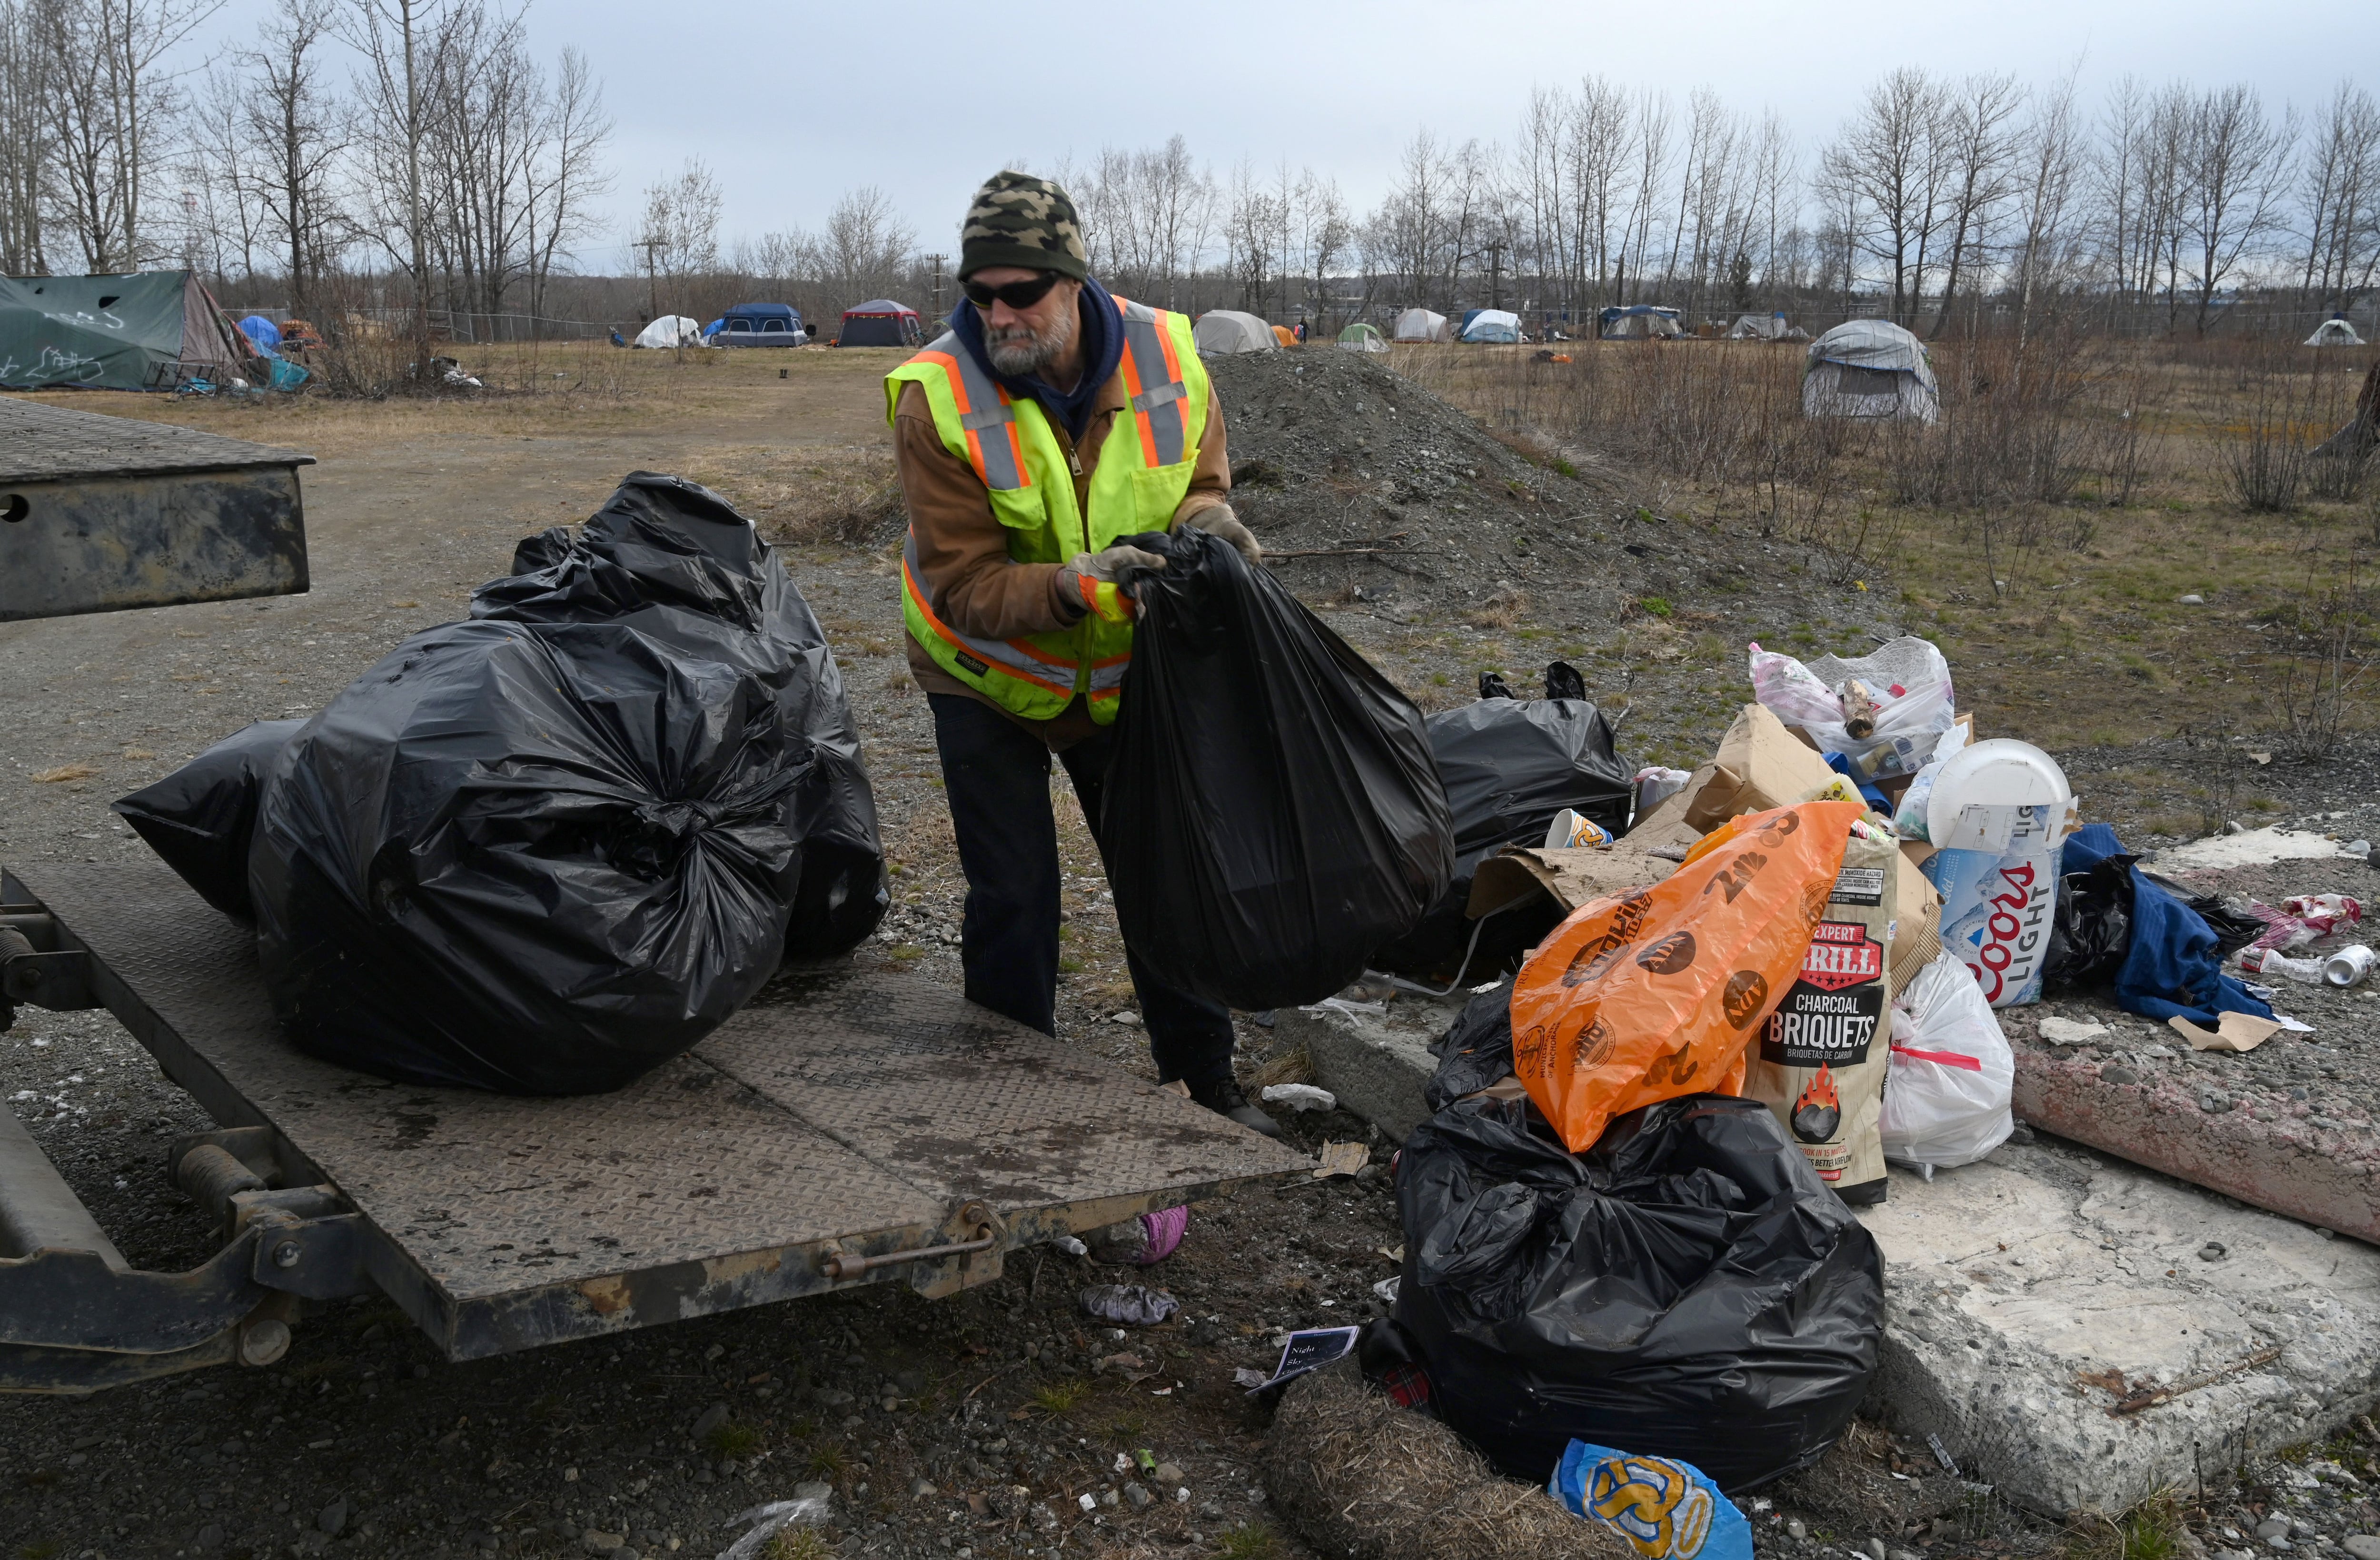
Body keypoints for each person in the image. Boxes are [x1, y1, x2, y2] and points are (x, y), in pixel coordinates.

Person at [886, 170, 1280, 1139]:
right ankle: (1011, 1113)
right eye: (980, 295)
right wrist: (1068, 585)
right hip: (984, 675)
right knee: (1014, 894)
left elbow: (1195, 481)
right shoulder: (935, 398)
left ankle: (1204, 1089)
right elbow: (967, 591)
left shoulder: (1170, 356)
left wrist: (1211, 521)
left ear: (1073, 283)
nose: (996, 315)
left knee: (1162, 874)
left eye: (1020, 293)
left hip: (1119, 671)